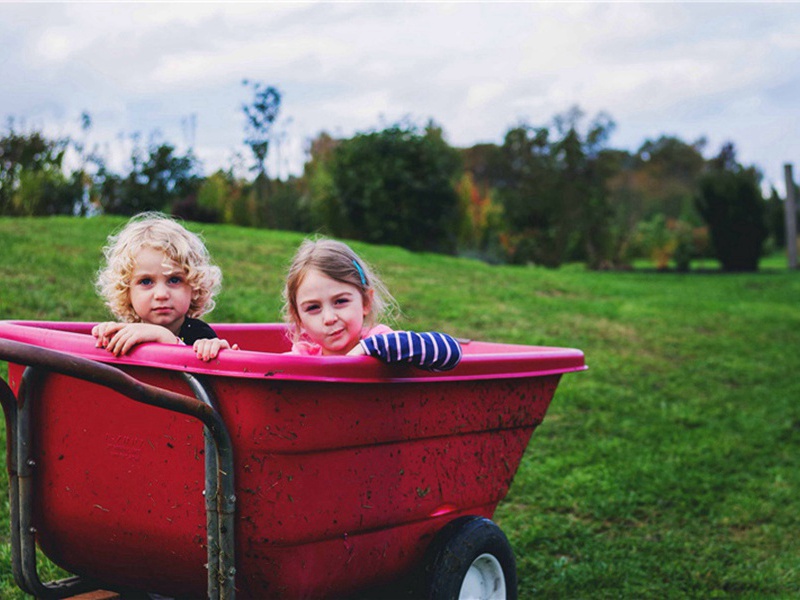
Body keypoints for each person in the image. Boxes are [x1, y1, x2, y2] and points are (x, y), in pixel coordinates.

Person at [282, 237, 462, 371]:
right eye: (313, 308)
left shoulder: (384, 344)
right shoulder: (302, 359)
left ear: (366, 302)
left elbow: (451, 351)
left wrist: (367, 349)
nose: (329, 318)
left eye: (341, 301)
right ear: (298, 318)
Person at [93, 212, 236, 362]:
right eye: (146, 281)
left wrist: (166, 338)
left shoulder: (200, 335)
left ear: (194, 287)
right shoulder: (127, 332)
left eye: (174, 280)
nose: (161, 294)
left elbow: (200, 382)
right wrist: (106, 335)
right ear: (126, 292)